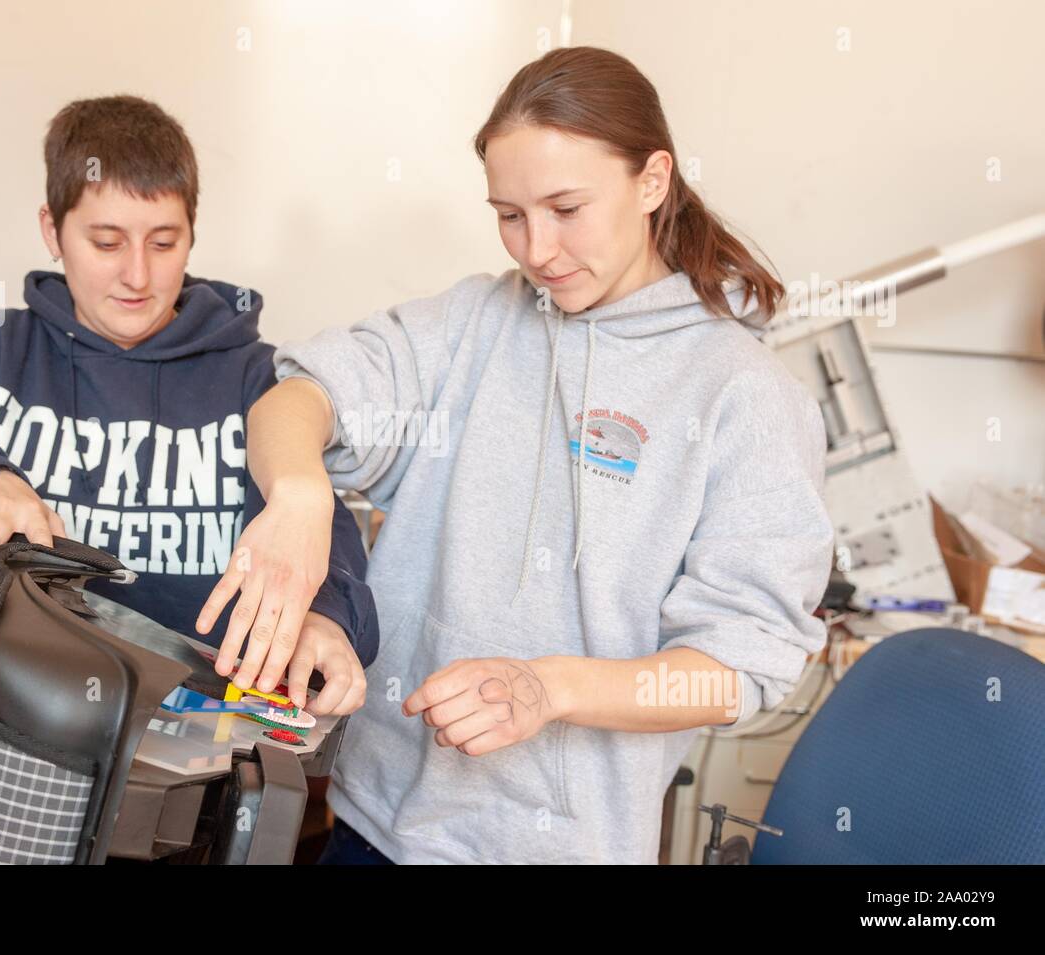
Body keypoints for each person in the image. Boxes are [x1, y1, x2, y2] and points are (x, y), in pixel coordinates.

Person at [199, 47, 835, 863]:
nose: (536, 249)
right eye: (509, 214)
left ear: (652, 181)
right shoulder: (479, 320)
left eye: (566, 208)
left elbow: (733, 671)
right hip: (375, 815)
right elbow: (299, 396)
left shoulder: (745, 396)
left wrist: (551, 687)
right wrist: (298, 498)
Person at [0, 95, 375, 715]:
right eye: (107, 242)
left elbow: (322, 532)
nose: (137, 276)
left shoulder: (256, 380)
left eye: (164, 243)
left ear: (193, 234)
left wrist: (327, 620)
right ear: (51, 231)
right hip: (13, 731)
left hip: (194, 741)